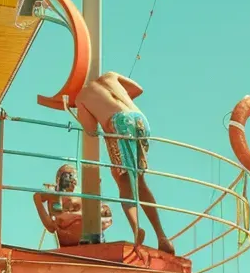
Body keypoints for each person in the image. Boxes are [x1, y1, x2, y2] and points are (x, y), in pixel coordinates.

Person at [75, 71, 175, 254]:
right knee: (139, 180)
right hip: (140, 119)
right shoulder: (109, 76)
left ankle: (137, 229)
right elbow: (138, 89)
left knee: (123, 181)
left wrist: (84, 113)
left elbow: (91, 130)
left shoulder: (81, 96)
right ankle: (162, 236)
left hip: (119, 124)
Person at [33, 163, 112, 247]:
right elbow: (51, 227)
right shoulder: (55, 198)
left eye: (73, 176)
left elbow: (103, 216)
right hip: (69, 240)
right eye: (67, 177)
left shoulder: (81, 195)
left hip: (89, 238)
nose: (71, 180)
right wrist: (38, 198)